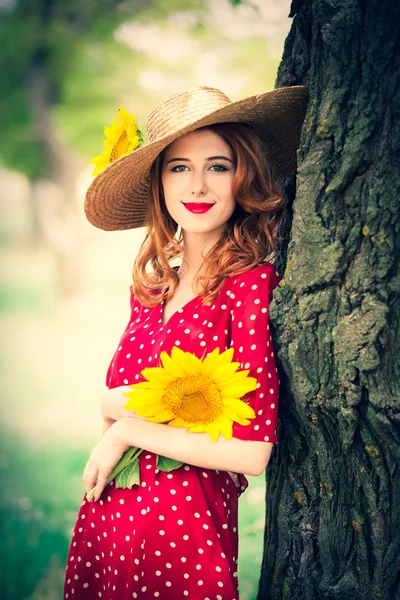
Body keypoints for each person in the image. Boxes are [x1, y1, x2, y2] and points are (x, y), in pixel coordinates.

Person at [63, 85, 308, 600]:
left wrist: (127, 429)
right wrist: (118, 415)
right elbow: (117, 405)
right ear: (159, 183)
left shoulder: (249, 288)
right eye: (179, 167)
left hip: (184, 535)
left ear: (244, 177)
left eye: (217, 166)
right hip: (110, 522)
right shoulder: (151, 290)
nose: (198, 184)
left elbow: (250, 451)